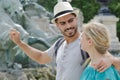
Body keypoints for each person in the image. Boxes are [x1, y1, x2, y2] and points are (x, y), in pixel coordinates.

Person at [9, 2, 120, 80]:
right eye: (63, 23)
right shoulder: (59, 44)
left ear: (76, 19)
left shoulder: (86, 42)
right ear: (57, 25)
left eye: (70, 21)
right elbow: (41, 58)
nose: (68, 26)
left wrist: (112, 61)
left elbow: (109, 60)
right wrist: (20, 43)